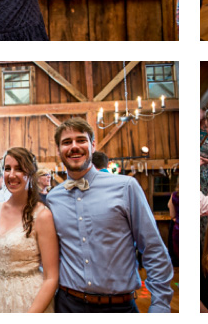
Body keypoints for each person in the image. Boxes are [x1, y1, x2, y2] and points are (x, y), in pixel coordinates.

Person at [45, 118, 172, 312]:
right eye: (66, 142)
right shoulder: (53, 198)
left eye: (81, 140)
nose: (74, 147)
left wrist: (160, 306)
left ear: (93, 145)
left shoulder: (125, 187)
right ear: (58, 149)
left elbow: (153, 249)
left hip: (118, 307)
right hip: (68, 305)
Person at [0, 147, 58, 312]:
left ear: (31, 174)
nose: (12, 174)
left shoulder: (42, 215)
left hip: (28, 298)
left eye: (19, 169)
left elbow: (51, 277)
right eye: (8, 168)